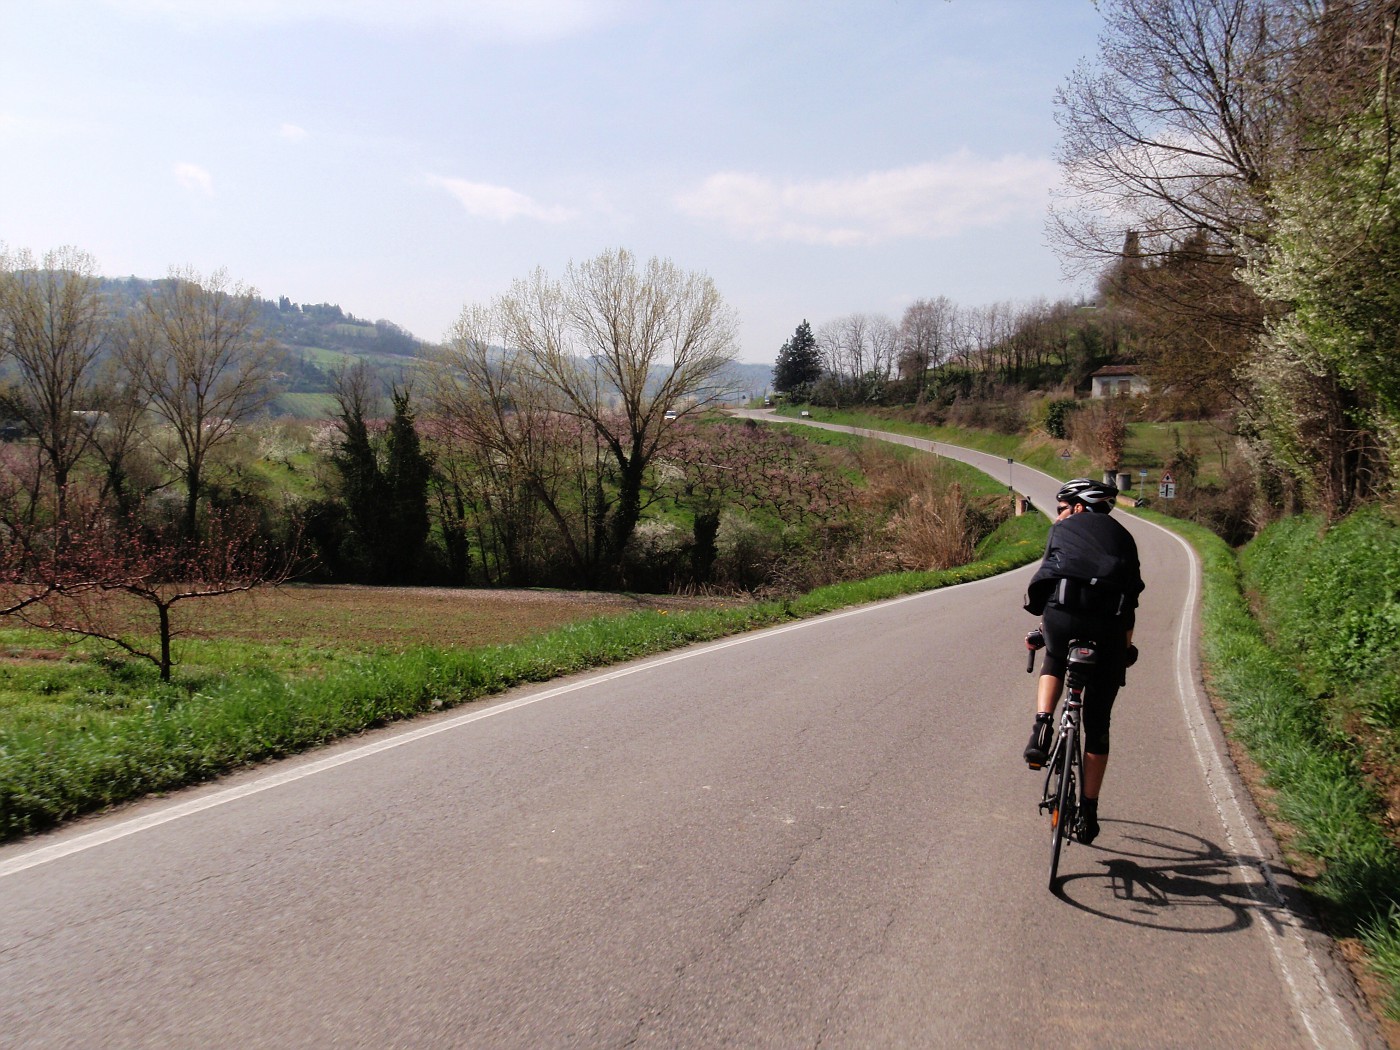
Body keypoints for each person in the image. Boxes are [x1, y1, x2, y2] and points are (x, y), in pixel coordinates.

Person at [1022, 478, 1145, 845]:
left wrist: (1043, 627)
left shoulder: (1063, 529)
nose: (1059, 515)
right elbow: (1131, 602)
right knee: (1098, 725)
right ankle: (1089, 811)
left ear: (1077, 508)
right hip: (1111, 628)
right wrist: (1125, 650)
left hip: (1063, 617)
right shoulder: (1125, 537)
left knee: (1055, 658)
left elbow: (1047, 578)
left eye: (1062, 508)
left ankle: (1042, 726)